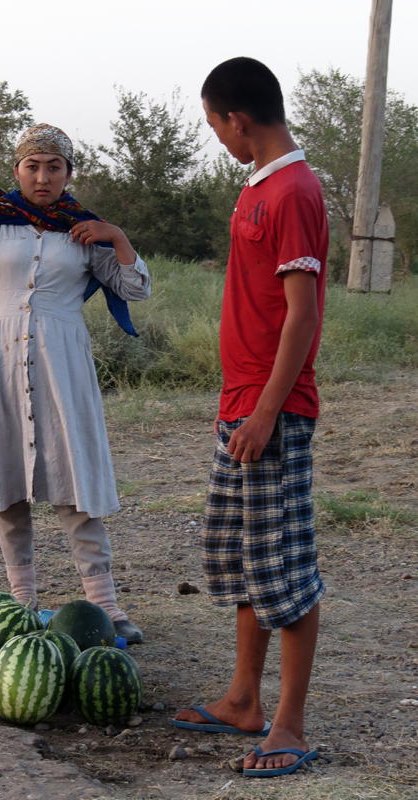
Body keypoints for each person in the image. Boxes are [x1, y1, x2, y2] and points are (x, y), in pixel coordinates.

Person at [0, 123, 150, 643]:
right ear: (17, 169)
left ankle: (106, 608)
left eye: (54, 167)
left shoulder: (83, 230)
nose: (42, 177)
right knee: (8, 481)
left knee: (76, 482)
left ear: (69, 173)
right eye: (32, 166)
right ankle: (22, 603)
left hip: (61, 362)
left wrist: (117, 237)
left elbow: (134, 287)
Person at [173, 58, 328, 777]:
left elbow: (302, 314)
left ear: (238, 119)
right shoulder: (257, 188)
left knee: (285, 571)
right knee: (243, 565)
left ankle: (288, 726)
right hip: (238, 407)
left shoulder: (293, 189)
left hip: (271, 411)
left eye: (214, 125)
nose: (218, 138)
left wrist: (267, 412)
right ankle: (242, 700)